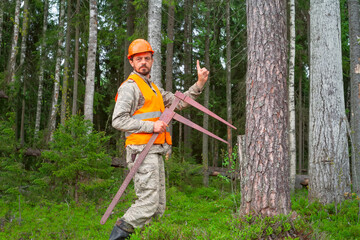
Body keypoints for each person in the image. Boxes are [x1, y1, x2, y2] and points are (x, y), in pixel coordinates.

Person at [109, 39, 209, 240]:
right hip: (141, 150)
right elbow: (118, 120)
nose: (143, 62)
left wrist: (199, 84)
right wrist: (151, 126)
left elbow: (177, 102)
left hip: (154, 151)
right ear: (132, 62)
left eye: (147, 58)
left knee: (158, 206)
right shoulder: (130, 87)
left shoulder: (153, 88)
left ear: (152, 60)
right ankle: (117, 237)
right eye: (139, 59)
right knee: (148, 203)